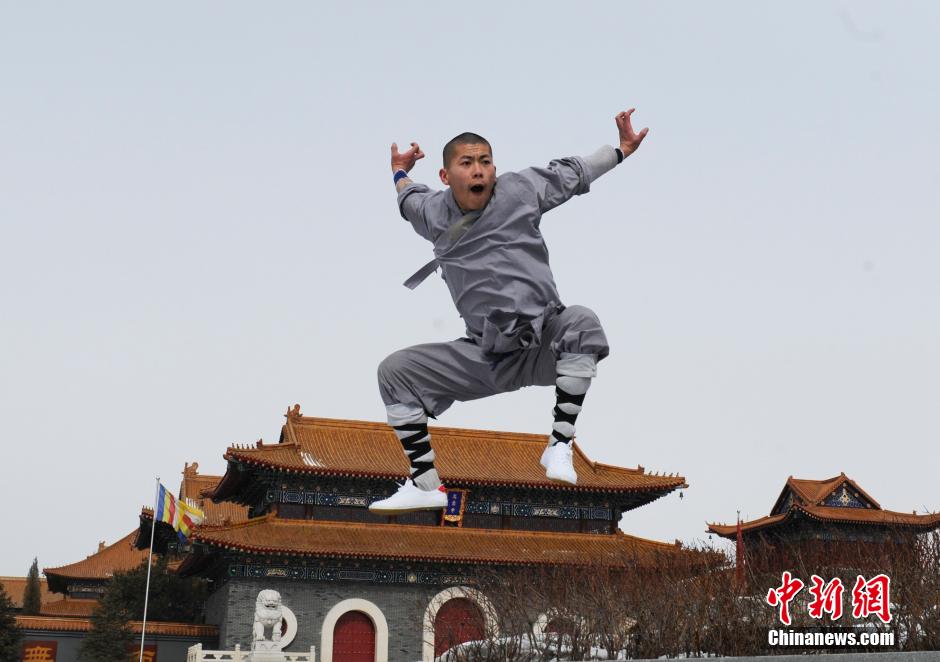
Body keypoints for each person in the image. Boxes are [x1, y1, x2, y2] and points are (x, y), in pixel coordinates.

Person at [369, 110, 649, 514]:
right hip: (486, 355)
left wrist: (620, 150)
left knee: (582, 321)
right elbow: (407, 196)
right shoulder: (432, 212)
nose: (478, 170)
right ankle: (425, 483)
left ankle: (559, 444)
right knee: (394, 371)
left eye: (485, 161)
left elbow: (574, 172)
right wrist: (398, 170)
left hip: (543, 342)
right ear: (445, 176)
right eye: (467, 163)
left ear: (494, 170)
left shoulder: (520, 190)